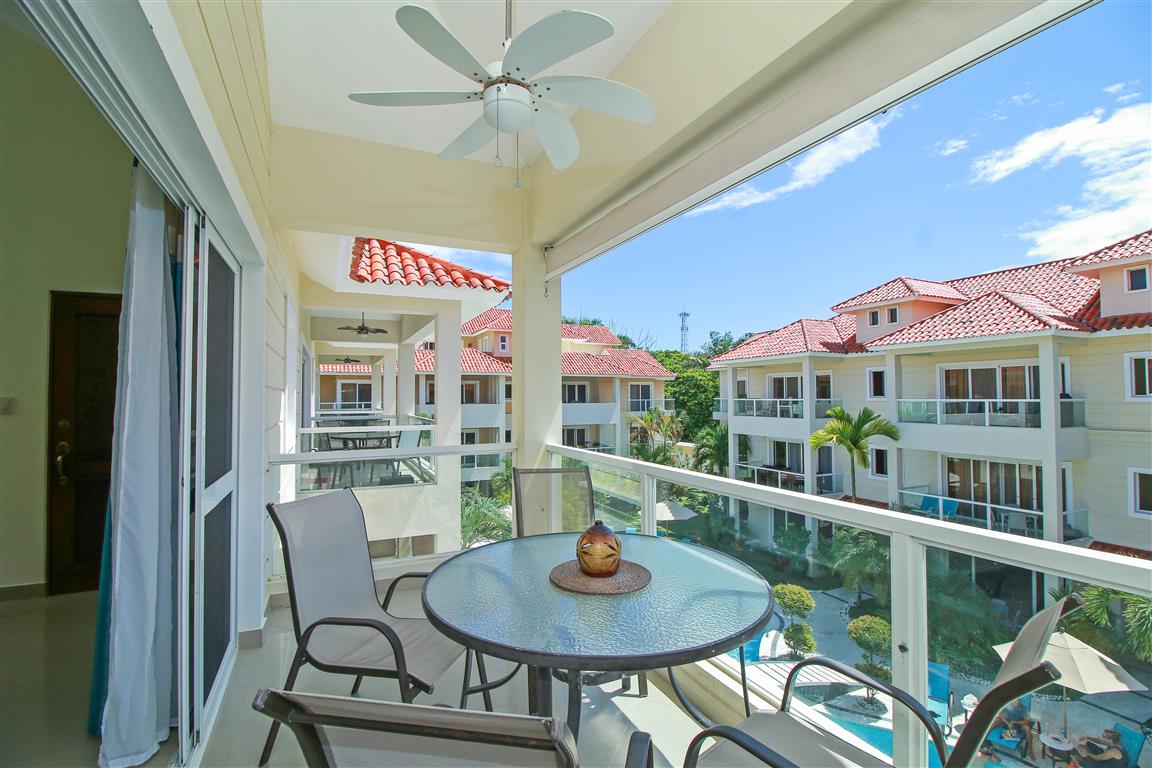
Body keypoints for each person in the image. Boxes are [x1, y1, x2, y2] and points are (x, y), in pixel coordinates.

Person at [979, 698, 1038, 762]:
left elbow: (1027, 721)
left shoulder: (1023, 707)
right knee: (996, 719)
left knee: (1027, 728)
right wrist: (1008, 723)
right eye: (1015, 702)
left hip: (1018, 725)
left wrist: (1014, 722)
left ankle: (1030, 751)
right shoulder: (1007, 704)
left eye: (1018, 701)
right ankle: (983, 738)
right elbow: (1000, 714)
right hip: (1006, 723)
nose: (1016, 703)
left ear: (1020, 701)